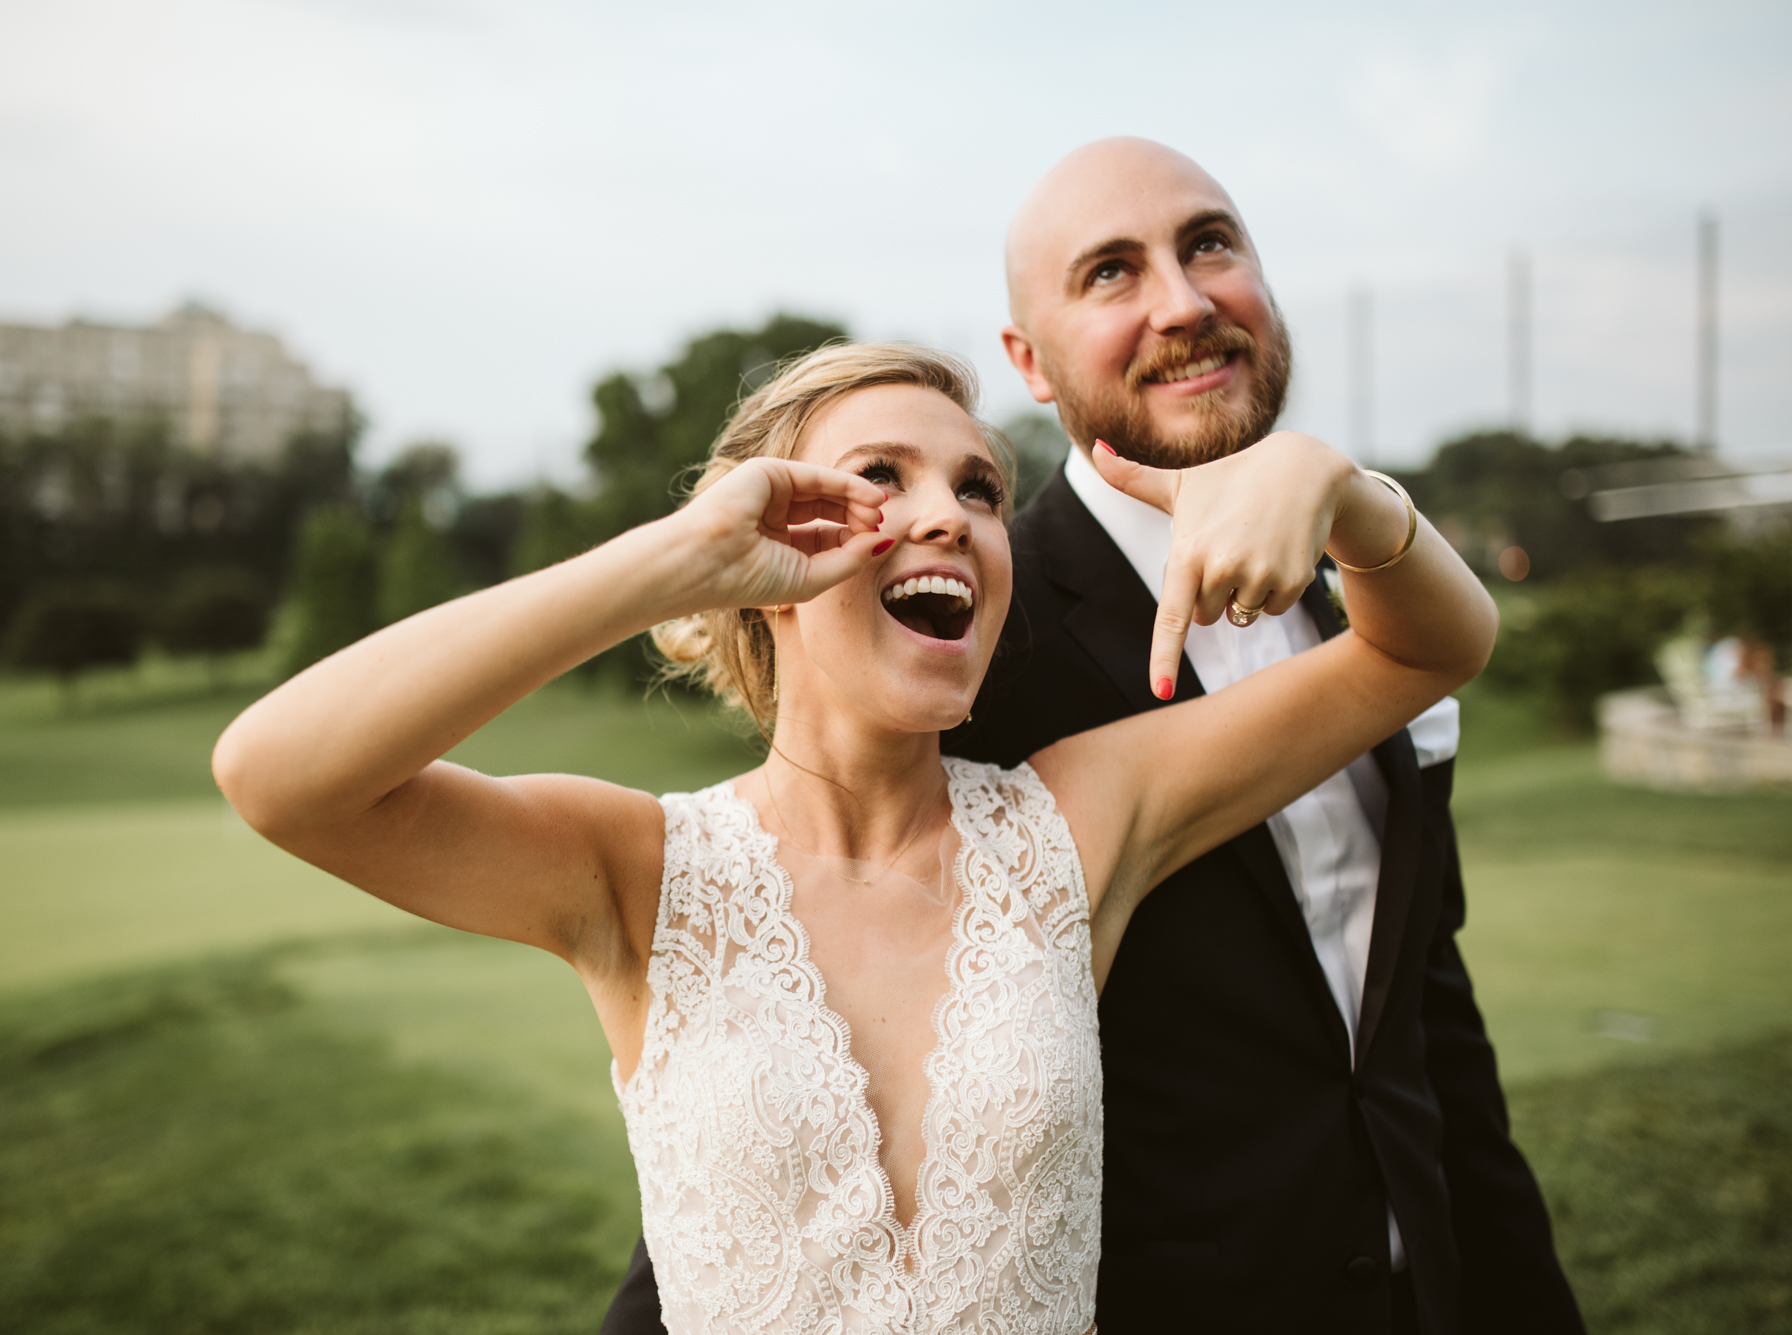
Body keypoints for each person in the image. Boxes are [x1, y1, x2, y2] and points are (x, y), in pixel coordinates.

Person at [215, 338, 1497, 1334]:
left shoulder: (1079, 824)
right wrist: (669, 561)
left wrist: (1339, 491)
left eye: (980, 490)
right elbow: (280, 777)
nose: (945, 514)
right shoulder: (638, 870)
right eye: (878, 477)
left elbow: (1431, 644)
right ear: (763, 547)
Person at [606, 142, 1585, 1335]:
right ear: (1028, 360)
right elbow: (780, 1129)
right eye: (1110, 272)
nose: (1182, 301)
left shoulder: (1364, 588)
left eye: (1209, 244)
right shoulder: (957, 642)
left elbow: (1420, 1028)